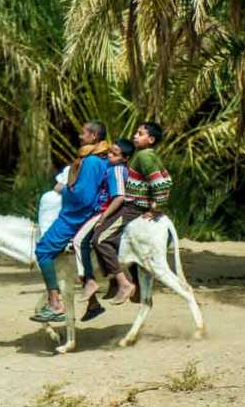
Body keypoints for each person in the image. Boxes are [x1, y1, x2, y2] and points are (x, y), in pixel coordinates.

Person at [30, 121, 110, 324]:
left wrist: (64, 189)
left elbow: (83, 196)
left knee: (43, 251)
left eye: (83, 133)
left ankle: (56, 304)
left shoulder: (91, 162)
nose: (80, 136)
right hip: (81, 213)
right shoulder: (99, 158)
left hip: (76, 216)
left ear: (93, 136)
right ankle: (92, 303)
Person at [93, 122, 173, 306]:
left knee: (100, 239)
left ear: (150, 140)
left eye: (140, 133)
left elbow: (160, 184)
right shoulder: (149, 156)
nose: (135, 136)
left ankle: (124, 284)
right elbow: (168, 180)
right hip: (137, 207)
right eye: (136, 133)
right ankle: (122, 282)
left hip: (132, 209)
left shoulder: (144, 157)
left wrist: (156, 208)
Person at [78, 138, 134, 322]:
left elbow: (119, 197)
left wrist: (104, 216)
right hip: (112, 210)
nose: (109, 155)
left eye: (114, 154)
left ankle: (123, 282)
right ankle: (112, 280)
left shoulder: (117, 170)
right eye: (109, 152)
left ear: (124, 158)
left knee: (99, 240)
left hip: (119, 210)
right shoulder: (112, 168)